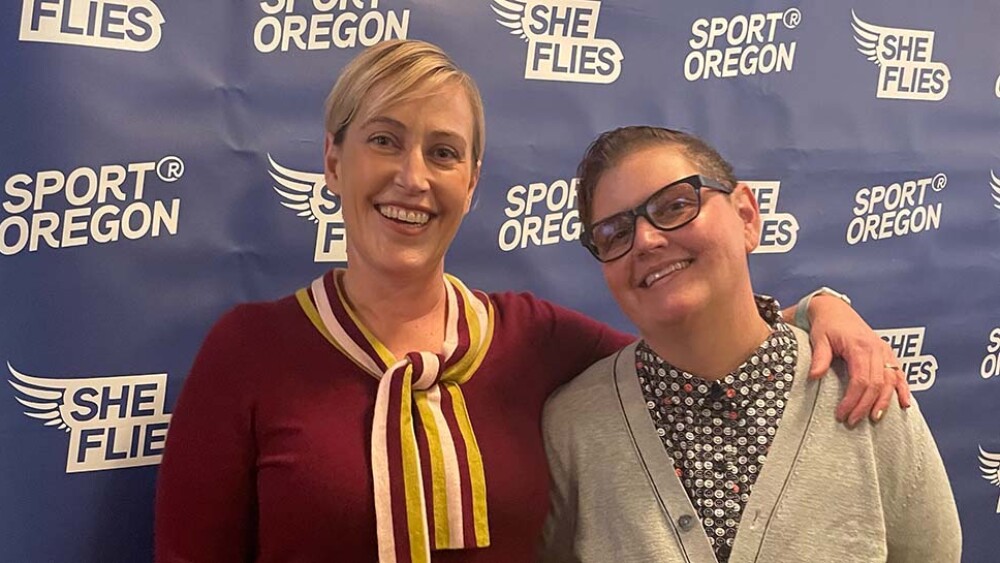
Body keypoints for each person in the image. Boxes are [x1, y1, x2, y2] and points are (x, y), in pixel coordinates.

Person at [155, 41, 910, 563]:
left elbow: (695, 343)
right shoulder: (249, 350)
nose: (413, 177)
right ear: (333, 160)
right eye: (385, 140)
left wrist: (818, 312)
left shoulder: (530, 337)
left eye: (443, 152)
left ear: (473, 181)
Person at [540, 126, 960, 563]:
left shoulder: (864, 387)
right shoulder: (574, 427)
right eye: (614, 233)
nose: (645, 240)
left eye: (676, 205)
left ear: (746, 216)